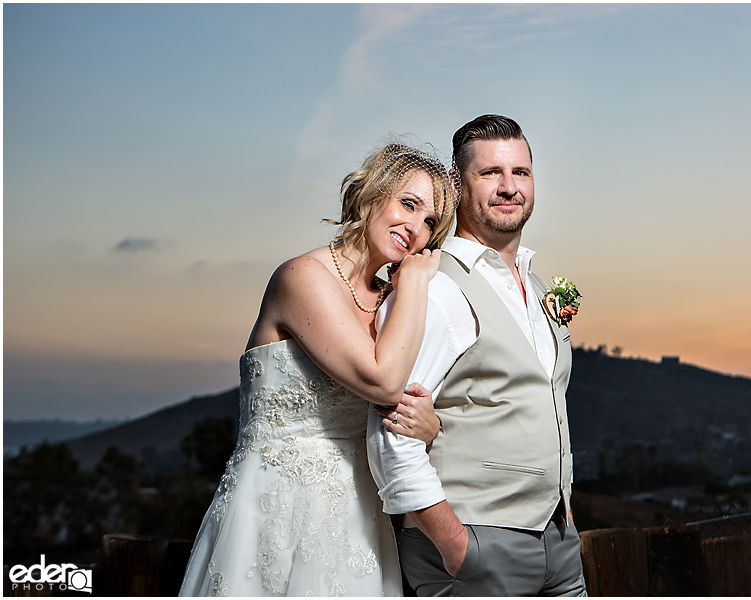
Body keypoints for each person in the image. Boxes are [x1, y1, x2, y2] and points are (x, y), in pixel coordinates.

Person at [179, 142, 457, 597]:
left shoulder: (394, 302)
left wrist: (429, 425)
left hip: (361, 520)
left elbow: (405, 402)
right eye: (408, 204)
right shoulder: (302, 277)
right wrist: (417, 282)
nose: (416, 228)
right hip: (275, 509)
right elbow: (383, 380)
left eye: (430, 222)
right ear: (372, 193)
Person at [367, 115, 587, 596]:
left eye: (521, 173)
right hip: (473, 549)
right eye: (490, 173)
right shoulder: (434, 287)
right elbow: (391, 433)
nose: (509, 187)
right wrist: (454, 544)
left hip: (559, 541)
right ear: (456, 183)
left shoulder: (538, 285)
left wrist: (563, 511)